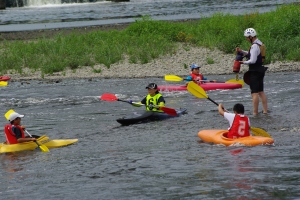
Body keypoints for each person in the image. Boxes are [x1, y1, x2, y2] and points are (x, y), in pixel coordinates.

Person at [236, 28, 268, 115]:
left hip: (254, 71)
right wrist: (242, 51)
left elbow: (252, 60)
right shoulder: (260, 43)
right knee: (261, 92)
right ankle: (265, 111)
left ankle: (255, 113)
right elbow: (253, 54)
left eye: (247, 37)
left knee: (254, 93)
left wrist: (243, 62)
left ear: (251, 36)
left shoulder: (254, 46)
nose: (246, 39)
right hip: (261, 69)